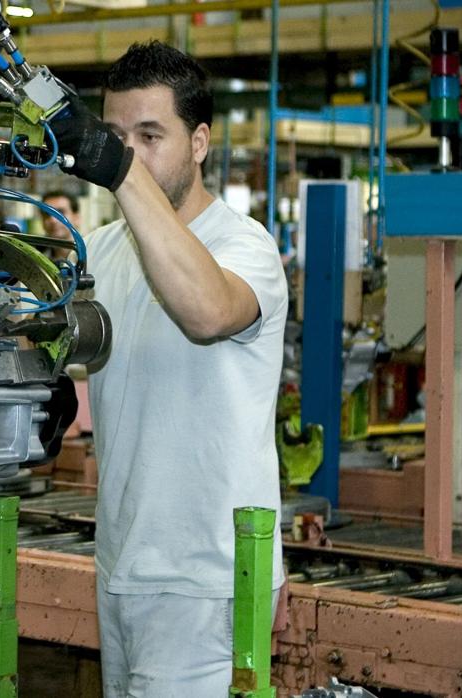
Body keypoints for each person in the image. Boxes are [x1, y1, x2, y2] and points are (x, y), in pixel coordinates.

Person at [50, 40, 287, 695]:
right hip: (123, 565)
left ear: (200, 142)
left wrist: (122, 173)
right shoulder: (100, 251)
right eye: (117, 137)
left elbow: (207, 312)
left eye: (150, 136)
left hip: (206, 581)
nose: (131, 153)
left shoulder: (246, 247)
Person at [38, 190, 80, 261]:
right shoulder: (36, 257)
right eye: (47, 214)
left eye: (60, 213)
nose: (53, 220)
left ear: (76, 217)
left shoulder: (91, 254)